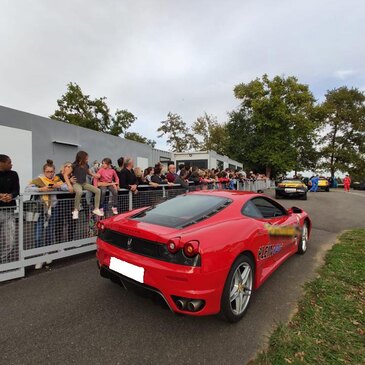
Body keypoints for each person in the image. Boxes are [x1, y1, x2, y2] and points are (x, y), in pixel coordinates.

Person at [25, 159, 69, 268]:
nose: (50, 174)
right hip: (41, 209)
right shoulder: (39, 180)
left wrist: (57, 186)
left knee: (50, 232)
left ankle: (48, 253)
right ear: (44, 171)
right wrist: (41, 189)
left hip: (53, 208)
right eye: (48, 171)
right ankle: (40, 256)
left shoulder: (57, 179)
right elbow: (27, 188)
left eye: (51, 172)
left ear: (54, 171)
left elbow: (67, 187)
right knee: (38, 234)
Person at [72, 151, 103, 219]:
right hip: (77, 183)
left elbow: (89, 172)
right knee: (79, 192)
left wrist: (94, 175)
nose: (87, 160)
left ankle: (96, 209)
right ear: (81, 158)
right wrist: (69, 182)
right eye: (86, 159)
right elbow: (65, 174)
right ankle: (75, 210)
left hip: (84, 183)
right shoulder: (74, 165)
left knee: (98, 191)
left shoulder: (86, 165)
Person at [0, 154, 19, 263]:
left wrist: (10, 196)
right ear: (1, 163)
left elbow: (16, 190)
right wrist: (1, 196)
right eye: (9, 162)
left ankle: (3, 261)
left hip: (9, 211)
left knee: (10, 241)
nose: (11, 165)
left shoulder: (13, 174)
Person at [54, 162, 76, 243]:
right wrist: (68, 181)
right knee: (60, 223)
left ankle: (70, 240)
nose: (70, 168)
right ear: (64, 167)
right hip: (61, 203)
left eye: (71, 167)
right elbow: (57, 185)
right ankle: (59, 242)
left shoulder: (73, 176)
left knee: (72, 222)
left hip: (71, 203)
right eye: (68, 166)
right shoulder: (58, 176)